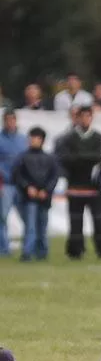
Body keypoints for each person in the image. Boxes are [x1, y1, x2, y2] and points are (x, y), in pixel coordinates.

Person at [55, 105, 101, 259]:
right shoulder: (67, 138)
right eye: (82, 116)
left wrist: (79, 157)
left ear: (92, 118)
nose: (85, 119)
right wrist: (86, 159)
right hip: (75, 185)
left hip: (95, 187)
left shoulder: (99, 138)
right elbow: (66, 159)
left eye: (88, 116)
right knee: (76, 222)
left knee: (99, 221)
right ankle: (75, 251)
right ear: (77, 118)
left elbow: (98, 156)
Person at [11, 128, 58, 262]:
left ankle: (42, 252)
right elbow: (18, 175)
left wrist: (46, 190)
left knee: (42, 226)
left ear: (42, 140)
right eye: (31, 138)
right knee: (30, 226)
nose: (33, 141)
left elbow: (54, 177)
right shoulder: (22, 157)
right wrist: (27, 187)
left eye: (36, 138)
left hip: (44, 197)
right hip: (28, 198)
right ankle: (27, 252)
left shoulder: (50, 158)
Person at [0, 109, 28, 257]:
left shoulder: (23, 139)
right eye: (7, 120)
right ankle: (4, 249)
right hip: (6, 184)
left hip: (22, 184)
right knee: (2, 217)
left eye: (12, 119)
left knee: (27, 216)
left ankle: (28, 248)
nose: (10, 122)